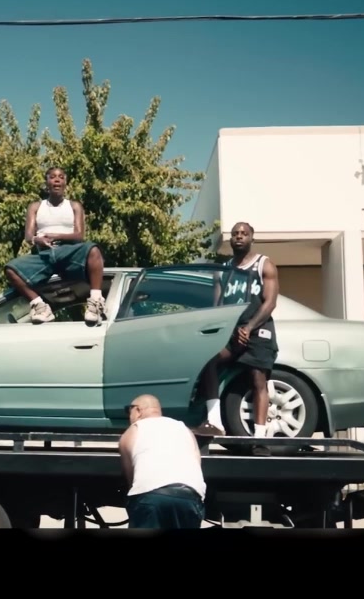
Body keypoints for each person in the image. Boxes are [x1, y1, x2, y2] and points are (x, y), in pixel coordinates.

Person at [191, 222, 280, 455]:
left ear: (252, 238)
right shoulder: (224, 269)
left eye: (244, 234)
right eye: (235, 234)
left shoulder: (264, 264)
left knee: (258, 380)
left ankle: (260, 439)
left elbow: (270, 302)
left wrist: (249, 327)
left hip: (258, 331)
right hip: (232, 332)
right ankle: (214, 422)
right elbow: (218, 304)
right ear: (230, 239)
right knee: (209, 362)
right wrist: (221, 330)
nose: (239, 237)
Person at [3, 166, 107, 324]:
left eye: (61, 177)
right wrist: (38, 240)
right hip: (44, 254)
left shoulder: (74, 206)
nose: (57, 180)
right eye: (52, 177)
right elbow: (28, 236)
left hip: (68, 251)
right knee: (11, 269)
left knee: (93, 250)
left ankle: (95, 303)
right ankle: (40, 306)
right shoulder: (36, 207)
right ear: (47, 183)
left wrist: (55, 236)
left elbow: (79, 236)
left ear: (65, 183)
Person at [119, 394, 207, 529]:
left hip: (151, 496)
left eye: (129, 411)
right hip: (189, 496)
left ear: (137, 410)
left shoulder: (134, 430)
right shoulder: (184, 429)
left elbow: (130, 476)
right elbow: (197, 463)